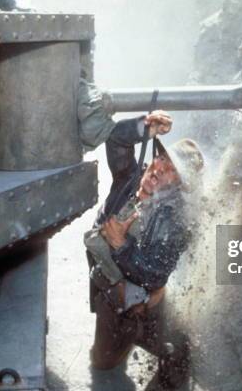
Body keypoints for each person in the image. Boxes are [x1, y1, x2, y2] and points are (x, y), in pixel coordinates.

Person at [83, 106, 204, 389]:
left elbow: (155, 274)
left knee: (180, 355)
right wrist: (143, 127)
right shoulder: (130, 179)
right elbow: (116, 141)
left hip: (145, 307)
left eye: (172, 170)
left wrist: (119, 244)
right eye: (162, 158)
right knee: (103, 362)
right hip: (111, 299)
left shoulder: (176, 219)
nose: (159, 168)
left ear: (179, 186)